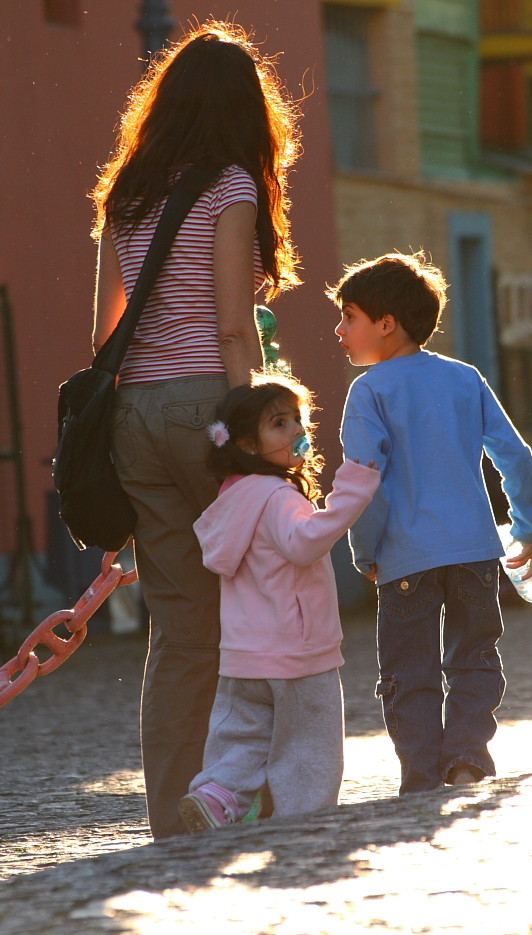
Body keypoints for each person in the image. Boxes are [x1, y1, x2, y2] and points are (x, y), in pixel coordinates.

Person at [90, 21, 301, 839]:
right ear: (248, 110)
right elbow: (232, 328)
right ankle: (263, 793)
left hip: (134, 415)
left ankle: (174, 811)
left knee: (180, 625)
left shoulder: (127, 193)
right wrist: (262, 436)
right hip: (206, 407)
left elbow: (103, 330)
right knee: (255, 604)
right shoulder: (230, 189)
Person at [327, 251, 532, 793]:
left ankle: (422, 777)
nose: (339, 330)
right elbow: (514, 456)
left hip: (405, 556)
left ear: (385, 324)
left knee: (409, 672)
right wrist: (525, 528)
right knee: (475, 657)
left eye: (348, 316)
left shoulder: (369, 391)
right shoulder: (464, 378)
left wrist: (363, 551)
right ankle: (467, 756)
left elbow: (365, 478)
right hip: (474, 551)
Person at [178, 374, 379, 832]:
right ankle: (301, 828)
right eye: (280, 423)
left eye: (297, 420)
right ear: (248, 444)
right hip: (299, 652)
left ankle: (216, 797)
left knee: (241, 740)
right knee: (309, 746)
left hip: (243, 658)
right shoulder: (277, 496)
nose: (296, 432)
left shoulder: (232, 496)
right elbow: (303, 543)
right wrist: (353, 491)